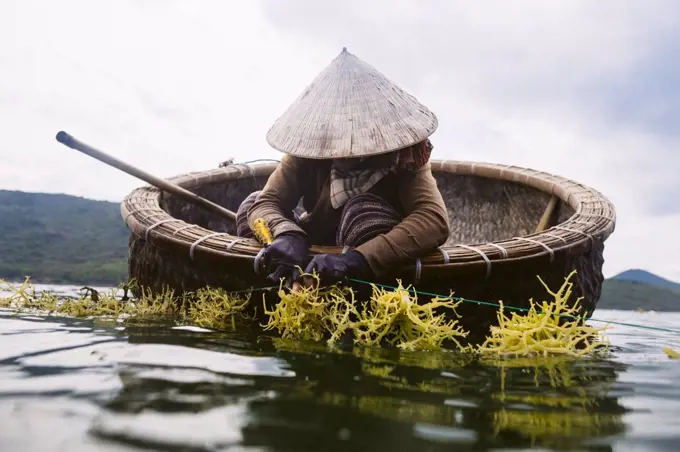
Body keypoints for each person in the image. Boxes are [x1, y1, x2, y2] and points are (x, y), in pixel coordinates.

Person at [235, 48, 450, 287]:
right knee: (250, 206)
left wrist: (356, 260)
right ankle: (284, 278)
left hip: (369, 250)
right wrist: (287, 234)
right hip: (316, 240)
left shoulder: (405, 157)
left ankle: (360, 291)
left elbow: (433, 220)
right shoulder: (308, 149)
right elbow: (267, 202)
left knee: (361, 213)